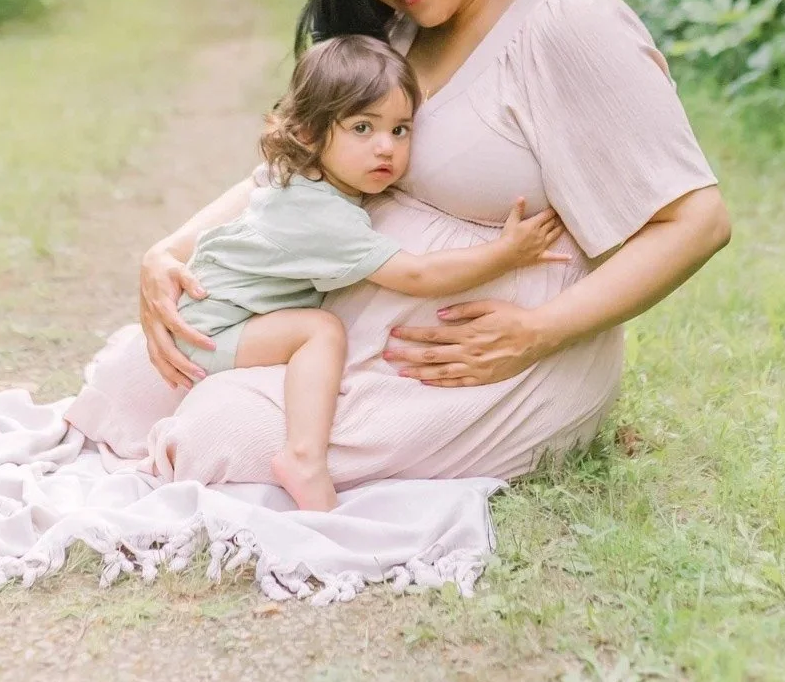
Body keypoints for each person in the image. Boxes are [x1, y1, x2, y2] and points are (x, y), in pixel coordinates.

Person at [63, 0, 731, 488]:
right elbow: (297, 171)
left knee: (215, 440)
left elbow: (697, 221)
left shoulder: (565, 25)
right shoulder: (402, 36)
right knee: (132, 382)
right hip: (345, 329)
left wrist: (537, 331)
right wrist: (168, 252)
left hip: (489, 360)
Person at [164, 34, 568, 509]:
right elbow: (417, 276)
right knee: (320, 331)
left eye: (400, 130)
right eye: (362, 128)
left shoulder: (312, 181)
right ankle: (304, 457)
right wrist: (504, 255)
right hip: (212, 334)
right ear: (309, 133)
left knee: (314, 328)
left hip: (213, 318)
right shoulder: (323, 217)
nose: (385, 148)